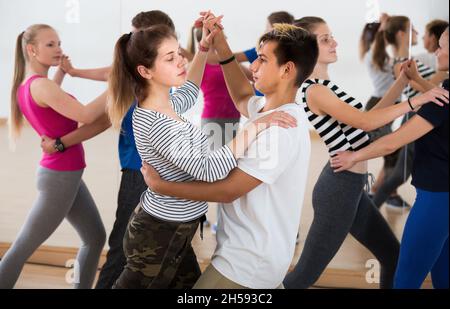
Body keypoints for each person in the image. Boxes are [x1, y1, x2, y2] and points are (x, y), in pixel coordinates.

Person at [107, 13, 297, 289]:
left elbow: (190, 92)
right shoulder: (156, 122)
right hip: (159, 234)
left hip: (177, 228)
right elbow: (210, 170)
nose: (180, 60)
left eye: (178, 53)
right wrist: (254, 127)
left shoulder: (166, 103)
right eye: (169, 58)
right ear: (145, 71)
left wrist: (205, 48)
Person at [283, 16, 448, 289]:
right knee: (303, 277)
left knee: (392, 257)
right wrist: (414, 100)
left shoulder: (328, 86)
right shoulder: (314, 91)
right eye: (325, 39)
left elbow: (370, 119)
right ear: (305, 49)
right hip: (337, 191)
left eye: (331, 35)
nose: (335, 42)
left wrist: (402, 82)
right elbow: (366, 123)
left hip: (352, 187)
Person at [331, 27, 449, 289]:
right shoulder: (444, 91)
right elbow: (441, 99)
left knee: (405, 280)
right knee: (444, 278)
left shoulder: (443, 97)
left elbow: (394, 141)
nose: (436, 51)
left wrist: (355, 156)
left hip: (437, 199)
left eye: (441, 46)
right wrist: (416, 81)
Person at [0, 24, 108, 289]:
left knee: (94, 237)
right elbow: (85, 116)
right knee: (21, 250)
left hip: (65, 175)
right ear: (32, 50)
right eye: (50, 44)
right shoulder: (42, 87)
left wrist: (61, 73)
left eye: (58, 43)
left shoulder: (32, 85)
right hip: (59, 178)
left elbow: (53, 107)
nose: (58, 48)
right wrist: (117, 85)